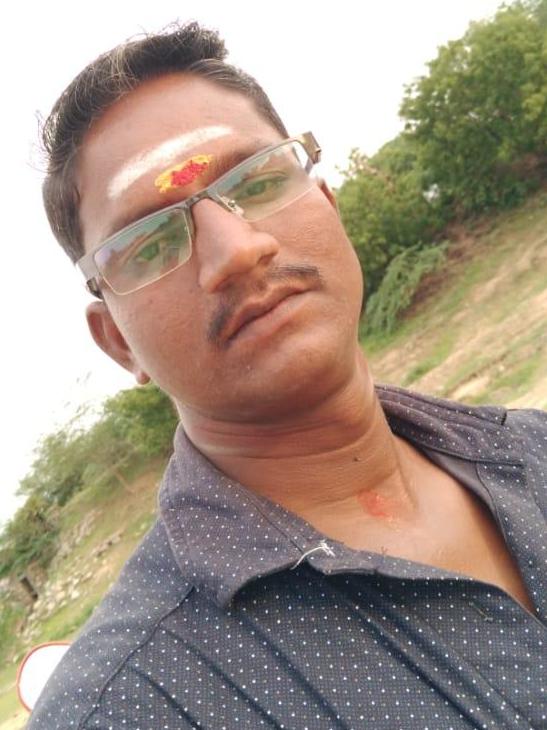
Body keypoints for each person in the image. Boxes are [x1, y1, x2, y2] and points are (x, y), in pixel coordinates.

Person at [29, 21, 545, 730]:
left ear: (328, 206)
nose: (237, 252)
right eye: (150, 241)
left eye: (257, 180)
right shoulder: (129, 707)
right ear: (118, 342)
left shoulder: (531, 447)